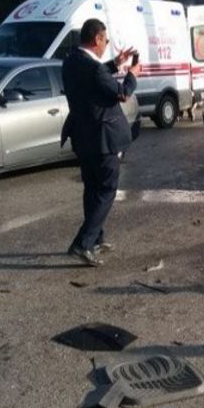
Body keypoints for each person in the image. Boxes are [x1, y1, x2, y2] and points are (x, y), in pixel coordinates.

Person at [61, 18, 140, 266]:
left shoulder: (72, 61)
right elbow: (123, 94)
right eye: (106, 40)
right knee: (106, 190)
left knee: (92, 189)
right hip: (103, 139)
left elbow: (94, 75)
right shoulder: (94, 69)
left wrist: (115, 63)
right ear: (97, 39)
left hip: (82, 136)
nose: (106, 45)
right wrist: (132, 75)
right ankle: (83, 243)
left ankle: (95, 238)